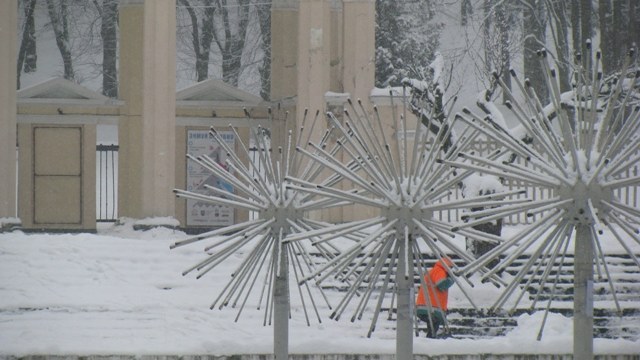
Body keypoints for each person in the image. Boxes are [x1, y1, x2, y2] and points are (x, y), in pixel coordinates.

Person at [415, 257, 455, 338]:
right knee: (434, 323)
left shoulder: (433, 271)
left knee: (433, 324)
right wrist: (452, 279)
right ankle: (431, 339)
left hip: (426, 305)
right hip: (431, 306)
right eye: (451, 268)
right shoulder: (440, 271)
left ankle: (431, 338)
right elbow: (442, 284)